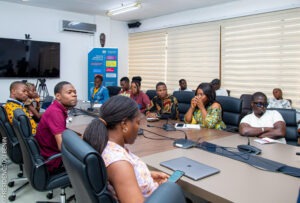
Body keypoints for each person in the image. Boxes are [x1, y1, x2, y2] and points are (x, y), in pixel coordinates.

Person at [83, 96, 169, 202]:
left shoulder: (105, 144)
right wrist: (165, 190)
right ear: (124, 125)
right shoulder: (119, 163)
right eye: (138, 122)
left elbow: (122, 179)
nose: (139, 128)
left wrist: (147, 175)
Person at [35, 81, 78, 174]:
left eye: (75, 92)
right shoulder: (55, 112)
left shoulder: (58, 108)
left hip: (49, 152)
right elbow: (62, 146)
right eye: (69, 92)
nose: (74, 95)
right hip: (54, 159)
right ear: (58, 96)